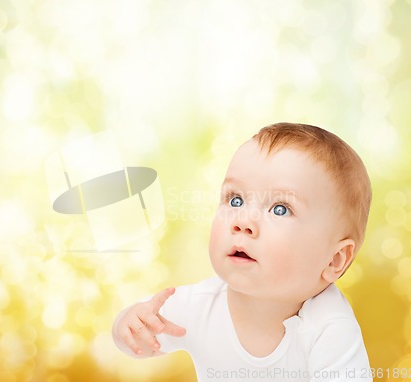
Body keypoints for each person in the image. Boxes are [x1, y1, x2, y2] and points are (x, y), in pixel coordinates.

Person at [112, 122, 373, 381]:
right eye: (235, 200)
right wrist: (128, 327)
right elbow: (140, 343)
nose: (243, 221)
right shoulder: (201, 305)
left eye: (280, 209)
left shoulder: (330, 328)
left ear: (334, 260)